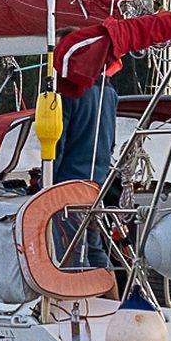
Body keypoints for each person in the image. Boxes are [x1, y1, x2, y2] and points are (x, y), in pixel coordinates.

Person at [54, 76, 119, 268]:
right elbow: (111, 142)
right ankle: (111, 288)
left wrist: (45, 185)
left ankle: (79, 287)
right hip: (96, 186)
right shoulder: (110, 92)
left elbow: (58, 144)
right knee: (94, 250)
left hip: (68, 187)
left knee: (72, 253)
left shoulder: (68, 92)